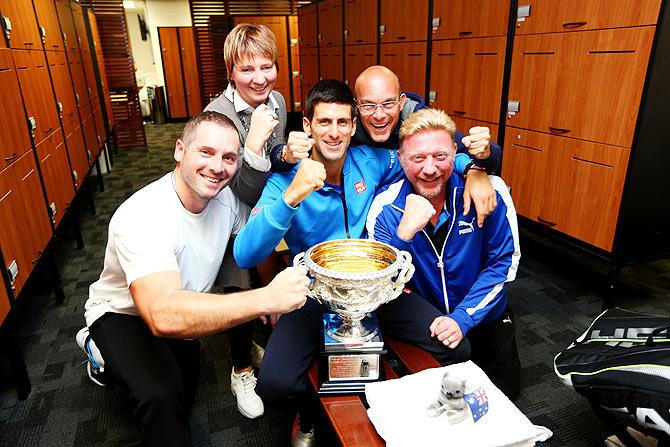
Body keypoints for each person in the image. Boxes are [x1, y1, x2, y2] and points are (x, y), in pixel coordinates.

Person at [233, 80, 473, 446]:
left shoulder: (371, 161)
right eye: (324, 122)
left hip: (374, 289)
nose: (334, 132)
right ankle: (312, 408)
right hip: (314, 295)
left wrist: (472, 168)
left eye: (342, 122)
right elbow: (244, 254)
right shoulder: (284, 180)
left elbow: (424, 154)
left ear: (353, 126)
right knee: (274, 384)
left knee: (455, 346)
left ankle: (392, 398)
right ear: (308, 126)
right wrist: (293, 197)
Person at [76, 111, 309, 447]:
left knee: (185, 391)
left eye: (229, 157)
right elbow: (164, 315)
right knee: (161, 395)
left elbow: (253, 243)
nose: (218, 167)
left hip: (183, 305)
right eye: (206, 152)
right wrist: (266, 298)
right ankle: (98, 350)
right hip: (124, 313)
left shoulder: (225, 199)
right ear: (179, 151)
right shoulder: (142, 215)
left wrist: (277, 292)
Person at [366, 108, 521, 400]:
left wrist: (463, 317)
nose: (429, 169)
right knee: (436, 407)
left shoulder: (490, 192)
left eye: (440, 156)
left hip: (484, 313)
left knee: (504, 400)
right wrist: (404, 234)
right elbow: (383, 285)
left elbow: (503, 264)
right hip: (433, 323)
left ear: (454, 152)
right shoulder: (385, 209)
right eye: (417, 158)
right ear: (400, 159)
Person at [204, 23, 307, 418]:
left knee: (274, 271)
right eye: (247, 70)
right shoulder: (219, 115)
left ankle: (258, 339)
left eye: (267, 66)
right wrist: (252, 143)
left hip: (262, 199)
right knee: (238, 280)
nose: (259, 78)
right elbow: (241, 191)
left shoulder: (276, 98)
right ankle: (240, 368)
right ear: (231, 71)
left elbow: (275, 151)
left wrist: (285, 151)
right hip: (225, 209)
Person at [353, 65, 501, 227]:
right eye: (368, 105)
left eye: (388, 104)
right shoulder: (346, 131)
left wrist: (475, 168)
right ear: (357, 106)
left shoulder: (419, 123)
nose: (379, 115)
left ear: (401, 102)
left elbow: (472, 152)